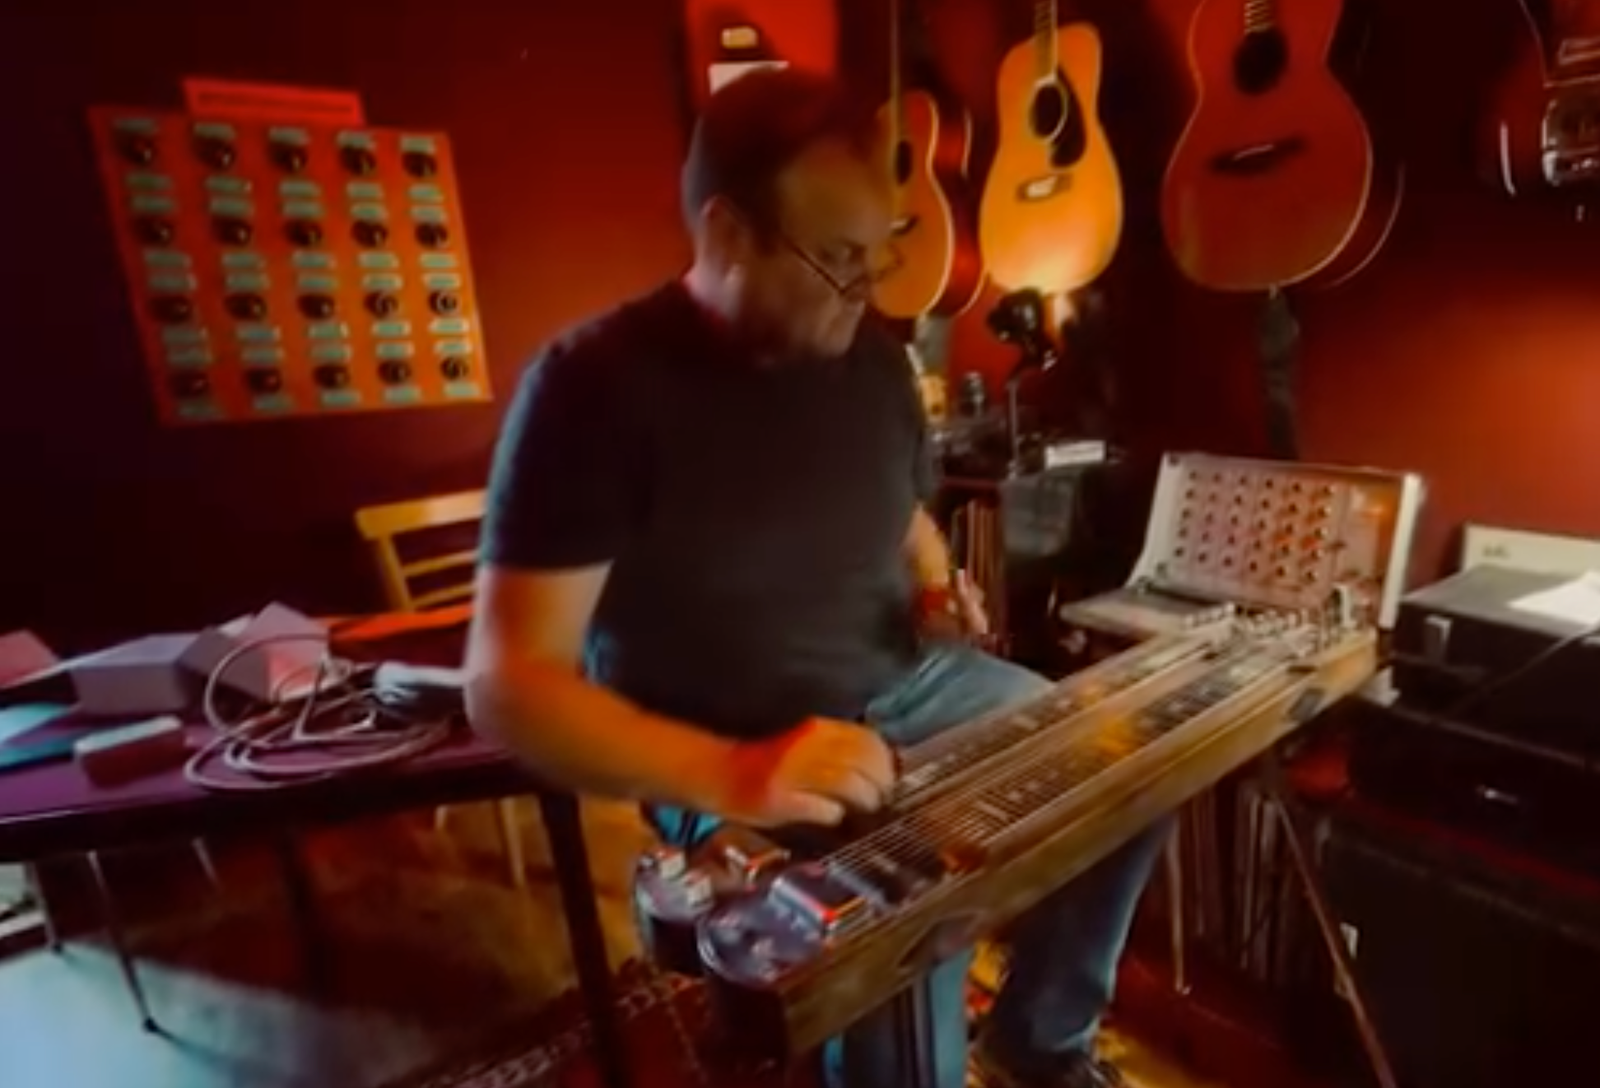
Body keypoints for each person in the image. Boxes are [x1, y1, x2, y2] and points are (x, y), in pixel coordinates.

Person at [463, 68, 1169, 1088]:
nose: (865, 291)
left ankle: (1040, 1044)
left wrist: (933, 583)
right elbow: (508, 687)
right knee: (906, 921)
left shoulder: (873, 364)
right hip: (729, 738)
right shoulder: (590, 392)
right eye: (837, 260)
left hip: (913, 685)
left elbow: (902, 514)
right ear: (728, 236)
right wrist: (736, 776)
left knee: (1127, 771)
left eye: (878, 256)